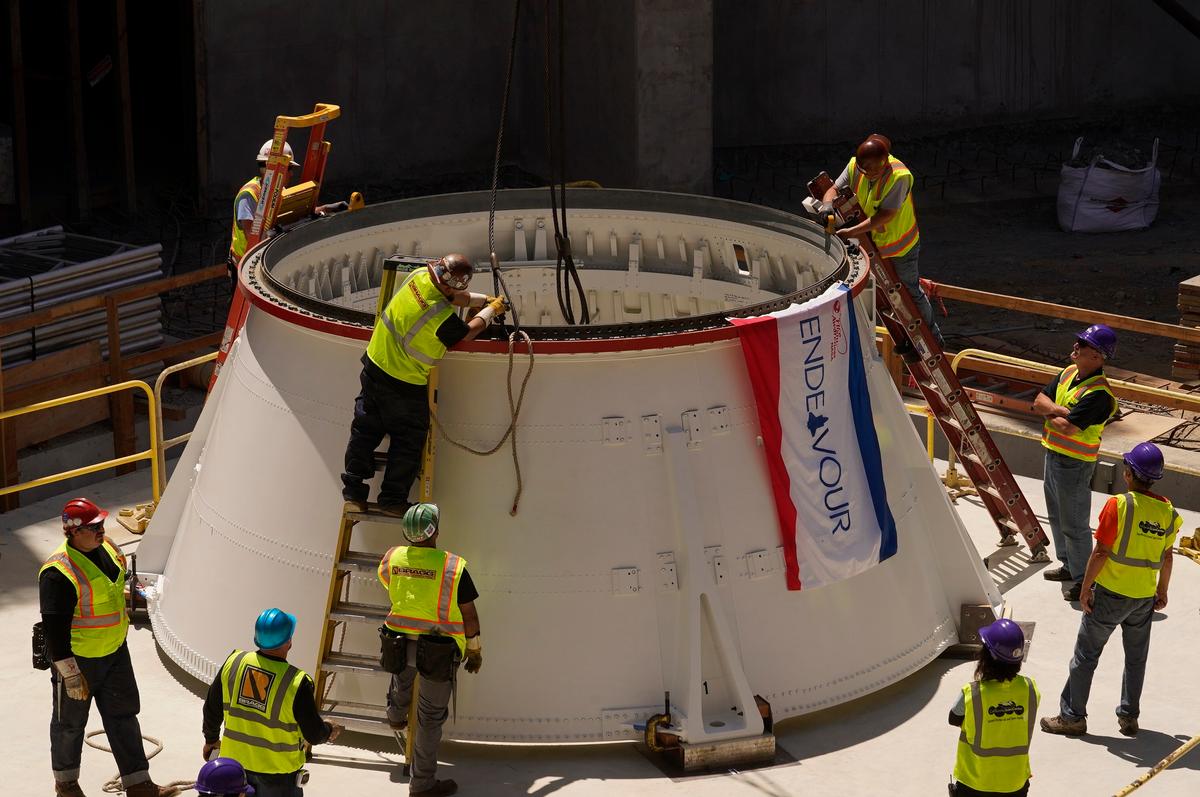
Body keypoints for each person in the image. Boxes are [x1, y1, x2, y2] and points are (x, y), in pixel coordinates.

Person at [341, 254, 508, 516]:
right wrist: (491, 311)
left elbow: (454, 297)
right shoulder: (441, 316)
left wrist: (482, 300)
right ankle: (392, 500)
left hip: (374, 364)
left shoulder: (419, 276)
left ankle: (353, 493)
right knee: (408, 440)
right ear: (449, 286)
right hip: (403, 383)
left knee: (364, 431)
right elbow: (467, 332)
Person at [1041, 442, 1179, 738]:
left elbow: (1101, 552)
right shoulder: (1168, 511)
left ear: (1128, 474)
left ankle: (1072, 717)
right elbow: (1168, 557)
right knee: (1136, 659)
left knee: (1086, 656)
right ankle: (1129, 716)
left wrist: (1085, 587)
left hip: (1110, 595)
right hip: (1143, 597)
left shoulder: (1118, 505)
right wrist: (1162, 591)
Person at [39, 498, 173, 797]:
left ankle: (138, 783)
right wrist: (70, 674)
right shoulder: (58, 573)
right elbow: (54, 632)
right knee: (69, 724)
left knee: (124, 716)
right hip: (79, 661)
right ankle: (66, 786)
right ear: (73, 532)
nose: (101, 530)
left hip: (115, 652)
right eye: (93, 527)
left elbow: (117, 586)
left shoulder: (110, 548)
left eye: (101, 524)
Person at [377, 503, 483, 797]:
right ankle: (422, 784)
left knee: (402, 676)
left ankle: (395, 714)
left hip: (398, 642)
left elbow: (389, 582)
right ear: (435, 531)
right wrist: (474, 649)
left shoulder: (392, 557)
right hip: (438, 650)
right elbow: (469, 615)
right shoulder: (452, 567)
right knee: (429, 719)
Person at [202, 608, 344, 796]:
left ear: (257, 638)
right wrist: (329, 729)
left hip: (233, 772)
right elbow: (314, 734)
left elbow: (211, 709)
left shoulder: (234, 662)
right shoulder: (296, 682)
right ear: (289, 641)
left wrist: (211, 739)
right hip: (279, 780)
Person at [823, 133, 941, 342]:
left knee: (909, 290)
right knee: (885, 293)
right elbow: (833, 189)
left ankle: (932, 338)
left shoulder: (900, 176)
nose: (868, 175)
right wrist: (827, 206)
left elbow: (885, 216)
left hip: (900, 246)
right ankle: (906, 337)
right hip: (873, 242)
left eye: (873, 172)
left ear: (885, 163)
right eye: (865, 171)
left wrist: (851, 232)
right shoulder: (855, 166)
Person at [1033, 324, 1118, 601]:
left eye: (1082, 344)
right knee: (1057, 516)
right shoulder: (1069, 372)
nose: (1076, 346)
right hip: (1053, 454)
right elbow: (1038, 401)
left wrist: (1049, 412)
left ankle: (1084, 582)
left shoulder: (1099, 394)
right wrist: (1057, 410)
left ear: (1097, 356)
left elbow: (1069, 429)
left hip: (1075, 464)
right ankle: (1069, 565)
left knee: (1075, 524)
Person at [949, 618, 1039, 796]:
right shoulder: (1030, 689)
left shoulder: (972, 693)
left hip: (974, 783)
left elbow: (953, 718)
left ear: (986, 658)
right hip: (1015, 783)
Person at [228, 140, 298, 293]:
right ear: (273, 168)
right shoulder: (249, 195)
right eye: (289, 168)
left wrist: (326, 209)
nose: (292, 173)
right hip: (244, 270)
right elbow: (253, 238)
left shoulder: (279, 191)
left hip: (263, 266)